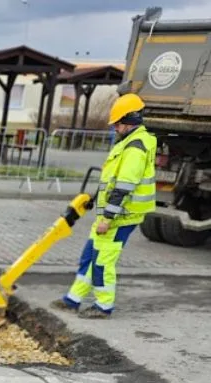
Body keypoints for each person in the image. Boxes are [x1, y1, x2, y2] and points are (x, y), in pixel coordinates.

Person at [51, 93, 157, 319]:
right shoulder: (128, 142)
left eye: (118, 123)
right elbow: (112, 180)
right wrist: (94, 199)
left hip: (120, 218)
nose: (115, 128)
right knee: (89, 256)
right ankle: (73, 300)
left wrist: (107, 218)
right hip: (113, 215)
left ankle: (103, 306)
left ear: (130, 120)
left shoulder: (135, 149)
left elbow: (124, 187)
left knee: (101, 263)